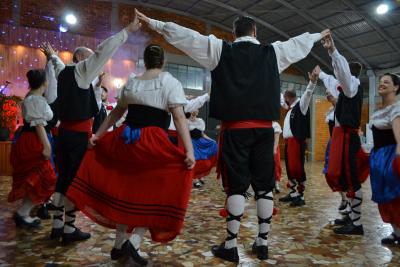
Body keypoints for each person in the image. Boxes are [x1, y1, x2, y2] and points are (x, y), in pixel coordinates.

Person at [136, 9, 329, 262]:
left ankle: (231, 245)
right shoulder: (273, 52)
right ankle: (262, 243)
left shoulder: (219, 49)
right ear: (255, 32)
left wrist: (155, 24)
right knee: (264, 186)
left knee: (236, 186)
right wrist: (318, 35)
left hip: (235, 131)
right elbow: (299, 43)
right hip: (263, 130)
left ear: (234, 33)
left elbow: (185, 36)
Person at [66, 44, 195, 265]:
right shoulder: (169, 82)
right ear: (163, 61)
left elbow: (116, 112)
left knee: (126, 193)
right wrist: (189, 151)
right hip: (153, 143)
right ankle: (133, 243)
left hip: (126, 138)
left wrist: (98, 135)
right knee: (153, 195)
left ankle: (118, 246)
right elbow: (180, 118)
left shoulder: (133, 81)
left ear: (144, 61)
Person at [40, 13, 142, 245]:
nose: (95, 64)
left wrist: (52, 55)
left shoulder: (63, 70)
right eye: (89, 60)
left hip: (64, 134)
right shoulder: (81, 70)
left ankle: (58, 226)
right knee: (75, 181)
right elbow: (103, 51)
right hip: (76, 136)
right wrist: (127, 31)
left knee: (63, 178)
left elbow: (56, 63)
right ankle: (68, 228)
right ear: (81, 59)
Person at [316, 33, 369, 235]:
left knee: (350, 177)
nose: (337, 73)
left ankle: (356, 224)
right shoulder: (348, 90)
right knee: (343, 176)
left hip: (347, 135)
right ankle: (350, 216)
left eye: (341, 71)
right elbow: (337, 76)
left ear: (349, 72)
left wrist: (332, 50)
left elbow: (342, 74)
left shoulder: (351, 84)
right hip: (342, 134)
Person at [8, 69, 56, 228]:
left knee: (33, 177)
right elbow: (39, 125)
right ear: (45, 82)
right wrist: (47, 146)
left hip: (27, 139)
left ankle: (24, 213)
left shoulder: (31, 97)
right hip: (34, 140)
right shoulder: (36, 99)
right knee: (44, 176)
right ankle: (23, 213)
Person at [369, 73, 400, 245]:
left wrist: (398, 161)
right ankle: (396, 232)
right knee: (385, 198)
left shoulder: (397, 108)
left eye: (386, 82)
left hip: (391, 156)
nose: (381, 84)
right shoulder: (378, 111)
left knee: (395, 196)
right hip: (378, 157)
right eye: (380, 82)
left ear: (395, 87)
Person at [279, 70, 317, 207]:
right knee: (290, 168)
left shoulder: (301, 104)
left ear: (288, 97)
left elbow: (307, 93)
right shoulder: (290, 108)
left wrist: (312, 82)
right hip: (289, 142)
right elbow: (279, 99)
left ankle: (300, 196)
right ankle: (293, 192)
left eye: (285, 98)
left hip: (297, 141)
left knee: (297, 168)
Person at [188, 110, 218, 188]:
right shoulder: (186, 121)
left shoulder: (200, 121)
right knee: (196, 159)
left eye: (197, 109)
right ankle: (194, 179)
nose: (196, 111)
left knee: (212, 147)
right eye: (194, 109)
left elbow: (202, 134)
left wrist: (211, 140)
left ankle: (199, 176)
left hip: (200, 141)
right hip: (191, 142)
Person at [272, 121, 282, 193]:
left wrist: (274, 149)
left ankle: (276, 183)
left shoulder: (275, 124)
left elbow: (277, 138)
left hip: (273, 147)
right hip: (264, 147)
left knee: (276, 165)